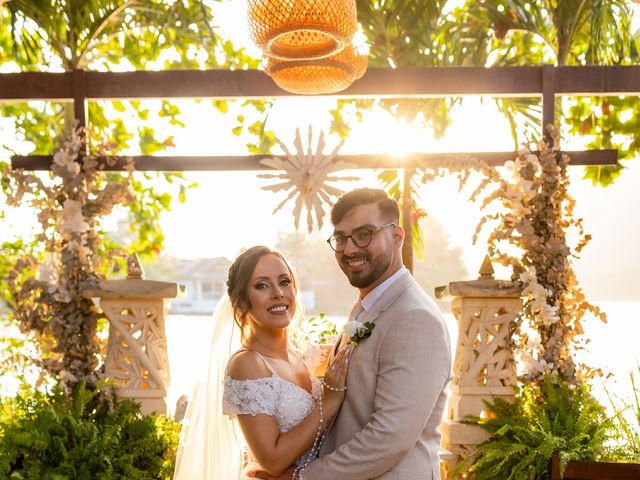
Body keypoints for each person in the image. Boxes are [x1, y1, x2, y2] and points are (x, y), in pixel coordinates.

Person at [253, 188, 452, 479]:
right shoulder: (366, 306)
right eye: (341, 238)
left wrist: (301, 477)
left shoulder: (415, 318)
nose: (349, 249)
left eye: (364, 234)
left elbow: (388, 440)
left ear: (397, 237)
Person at [173, 246, 352, 479]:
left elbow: (357, 352)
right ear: (241, 303)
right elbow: (273, 462)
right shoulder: (247, 365)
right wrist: (328, 402)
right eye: (262, 285)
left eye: (284, 281)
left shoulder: (305, 353)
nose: (278, 293)